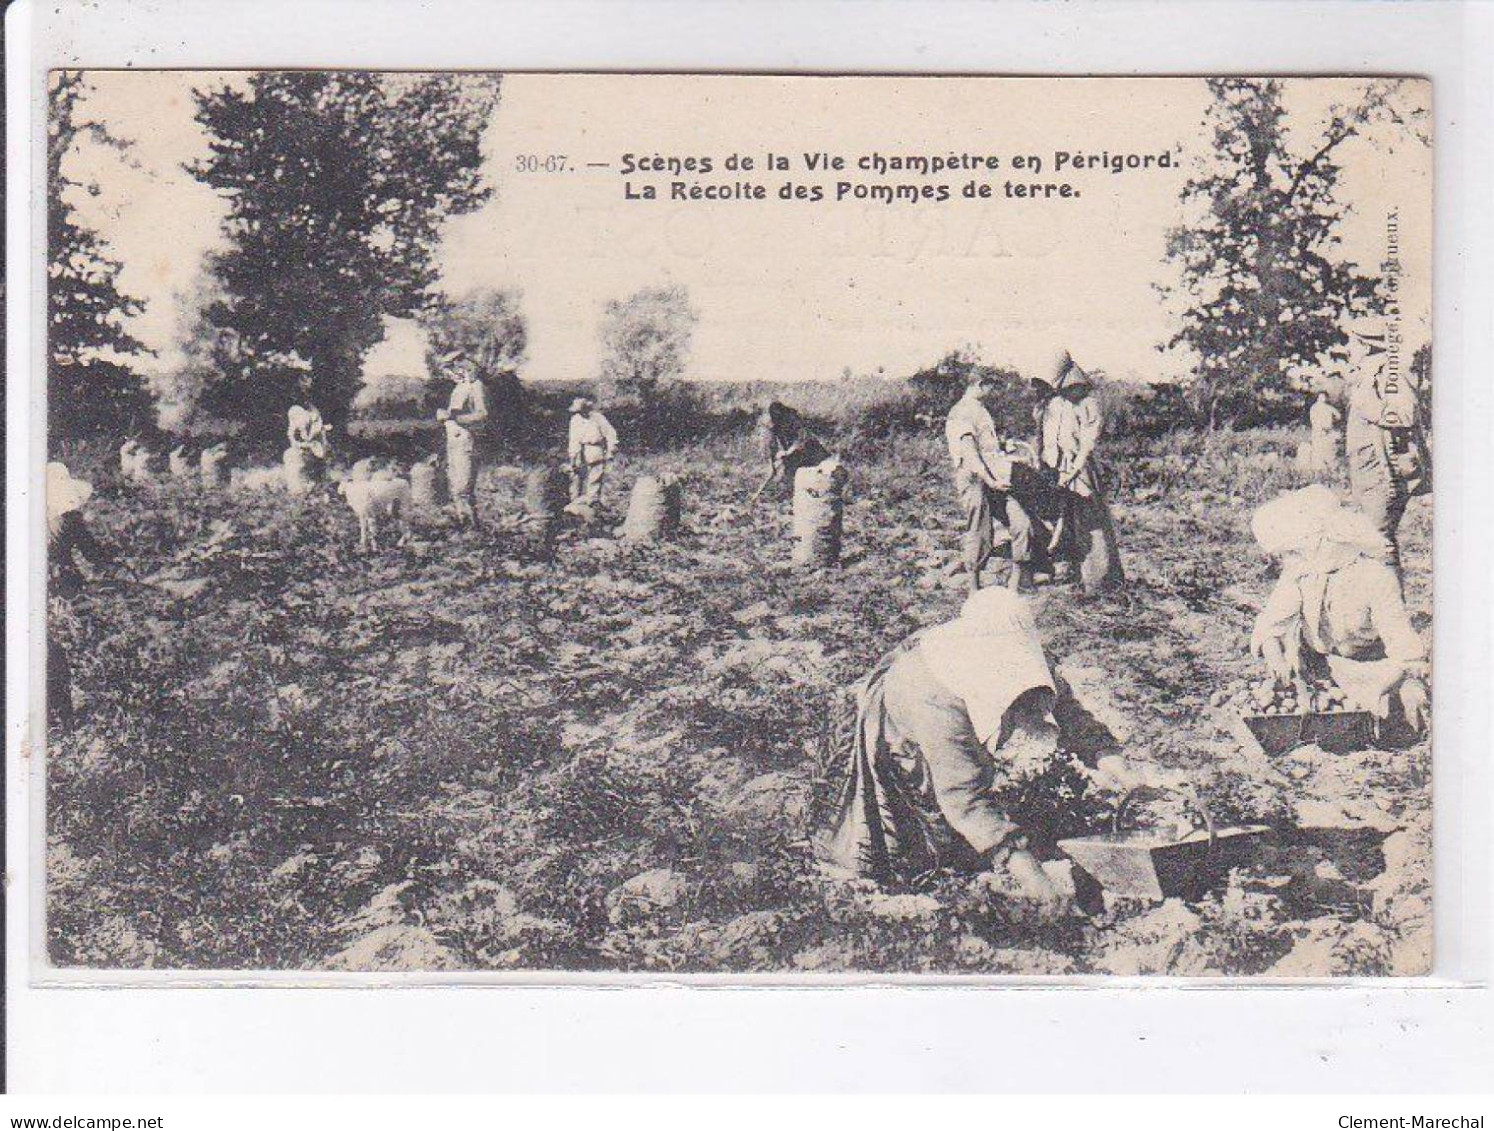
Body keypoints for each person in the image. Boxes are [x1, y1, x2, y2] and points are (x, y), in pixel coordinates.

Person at [814, 587, 1065, 904]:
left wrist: (1120, 770)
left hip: (941, 720)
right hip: (905, 722)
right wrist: (1033, 875)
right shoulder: (937, 700)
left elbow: (1069, 711)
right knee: (902, 841)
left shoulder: (1018, 650)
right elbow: (963, 795)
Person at [1249, 485, 1428, 733]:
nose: (1291, 557)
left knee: (1401, 706)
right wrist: (1276, 658)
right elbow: (1271, 624)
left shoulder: (1374, 576)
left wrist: (1385, 684)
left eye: (1296, 550)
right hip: (1317, 666)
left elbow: (1404, 649)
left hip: (1367, 668)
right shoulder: (1302, 573)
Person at [945, 371, 1045, 594]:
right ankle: (974, 588)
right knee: (980, 530)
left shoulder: (981, 410)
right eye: (991, 387)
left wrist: (1003, 447)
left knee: (1022, 523)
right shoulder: (961, 411)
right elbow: (970, 452)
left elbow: (987, 446)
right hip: (976, 478)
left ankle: (1016, 584)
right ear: (981, 384)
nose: (993, 392)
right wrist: (989, 480)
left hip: (998, 475)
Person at [1032, 349, 1124, 594]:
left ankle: (1100, 582)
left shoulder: (1088, 404)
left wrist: (1073, 471)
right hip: (1056, 470)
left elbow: (1087, 443)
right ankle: (1070, 574)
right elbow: (1045, 441)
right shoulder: (1053, 404)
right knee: (1063, 522)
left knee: (1090, 523)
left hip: (1079, 471)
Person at [1345, 323, 1429, 580]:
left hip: (1385, 473)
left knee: (1378, 544)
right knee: (1372, 544)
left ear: (1366, 345)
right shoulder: (1368, 373)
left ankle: (1392, 616)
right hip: (1369, 472)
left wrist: (1367, 404)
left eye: (1352, 342)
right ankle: (1382, 613)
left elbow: (1406, 414)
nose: (1348, 348)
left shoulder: (1393, 371)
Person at [47, 462, 112, 732]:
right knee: (72, 643)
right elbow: (92, 552)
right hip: (63, 588)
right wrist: (109, 558)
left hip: (42, 586)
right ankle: (67, 714)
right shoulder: (71, 518)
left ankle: (53, 715)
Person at [436, 359, 489, 528]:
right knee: (455, 487)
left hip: (466, 440)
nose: (449, 375)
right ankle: (464, 523)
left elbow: (482, 414)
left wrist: (452, 417)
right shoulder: (459, 388)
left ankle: (472, 528)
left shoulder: (475, 386)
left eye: (450, 371)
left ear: (460, 369)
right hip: (454, 440)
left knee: (463, 488)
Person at [757, 401, 832, 501]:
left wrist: (788, 452)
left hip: (811, 451)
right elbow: (773, 448)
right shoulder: (774, 425)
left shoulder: (793, 420)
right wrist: (773, 464)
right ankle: (783, 494)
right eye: (774, 417)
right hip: (795, 454)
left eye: (779, 417)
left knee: (819, 475)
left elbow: (802, 439)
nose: (777, 420)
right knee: (787, 469)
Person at [566, 396, 619, 519]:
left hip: (595, 448)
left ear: (588, 409)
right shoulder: (575, 420)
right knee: (576, 476)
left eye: (583, 411)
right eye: (578, 412)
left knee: (595, 476)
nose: (581, 413)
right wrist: (573, 457)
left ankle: (592, 504)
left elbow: (610, 433)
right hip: (580, 449)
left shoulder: (598, 418)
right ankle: (574, 503)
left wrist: (611, 449)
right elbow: (573, 440)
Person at [1305, 391, 1342, 477]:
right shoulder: (1314, 408)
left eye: (1324, 397)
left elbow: (1338, 416)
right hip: (1318, 433)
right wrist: (1321, 426)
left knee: (1329, 452)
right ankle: (1318, 473)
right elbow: (1313, 420)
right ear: (1318, 398)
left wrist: (1332, 421)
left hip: (1328, 433)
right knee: (1318, 453)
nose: (1323, 399)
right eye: (1321, 397)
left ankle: (1331, 472)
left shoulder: (1328, 407)